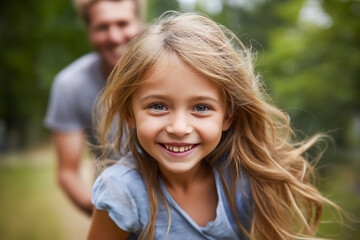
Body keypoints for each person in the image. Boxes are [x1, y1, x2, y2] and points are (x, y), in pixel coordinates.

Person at [88, 12, 339, 239]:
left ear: (227, 115)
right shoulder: (122, 192)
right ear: (129, 114)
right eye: (158, 106)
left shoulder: (243, 175)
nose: (179, 127)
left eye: (201, 108)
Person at [44, 0, 143, 216]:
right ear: (89, 31)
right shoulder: (70, 85)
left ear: (139, 24)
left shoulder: (169, 72)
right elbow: (67, 173)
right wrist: (110, 217)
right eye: (102, 27)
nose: (114, 37)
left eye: (123, 23)